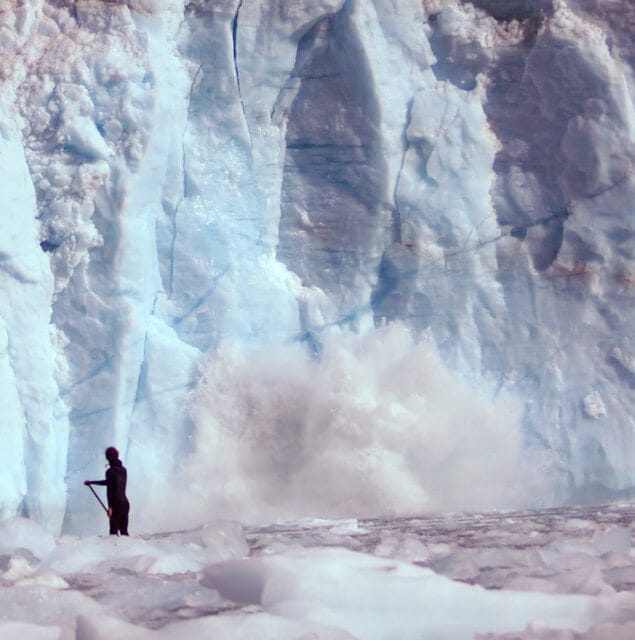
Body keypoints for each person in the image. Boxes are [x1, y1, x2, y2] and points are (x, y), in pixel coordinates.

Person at [84, 446, 130, 536]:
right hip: (125, 503)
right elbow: (114, 485)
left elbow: (110, 489)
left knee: (113, 533)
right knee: (124, 532)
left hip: (116, 505)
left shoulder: (110, 472)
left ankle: (116, 550)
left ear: (108, 458)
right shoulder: (123, 470)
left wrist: (110, 508)